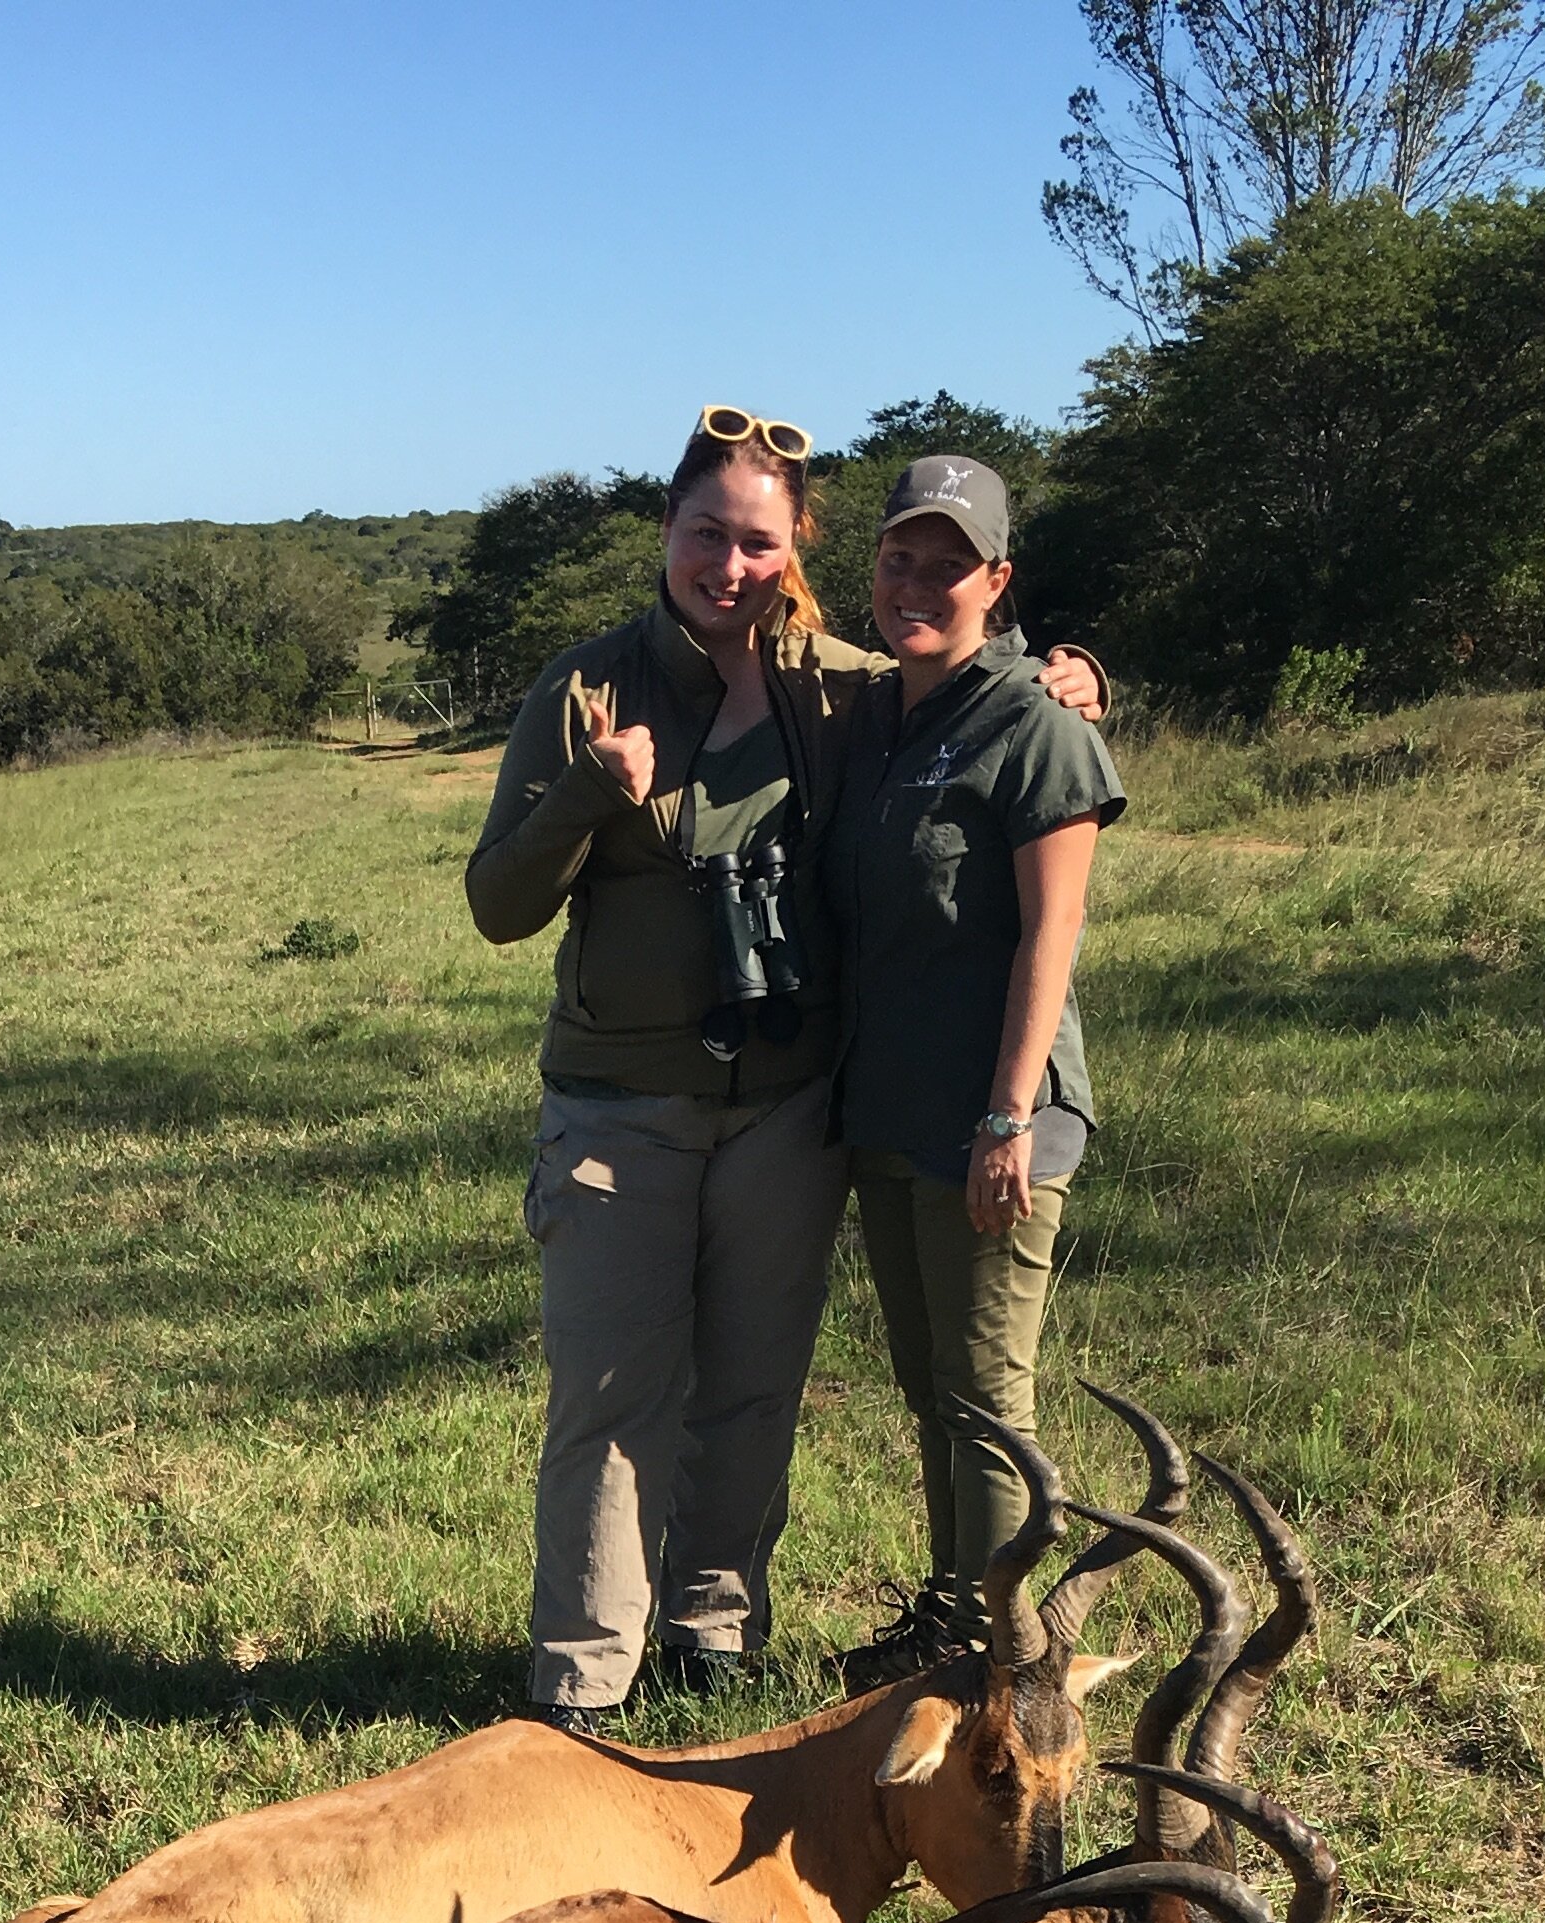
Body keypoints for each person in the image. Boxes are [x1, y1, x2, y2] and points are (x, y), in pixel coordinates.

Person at [466, 413, 1104, 1730]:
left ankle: (714, 1638)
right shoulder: (585, 690)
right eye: (708, 533)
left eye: (759, 540)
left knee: (754, 1392)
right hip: (622, 1109)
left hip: (788, 1108)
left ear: (794, 548)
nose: (731, 563)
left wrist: (1082, 672)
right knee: (614, 1397)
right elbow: (495, 903)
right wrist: (589, 796)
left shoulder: (837, 683)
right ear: (669, 533)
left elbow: (989, 704)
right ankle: (584, 1683)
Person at [830, 453, 1127, 1687]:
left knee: (990, 1403)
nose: (918, 582)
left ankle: (1004, 1668)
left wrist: (1008, 1116)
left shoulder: (1034, 725)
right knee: (932, 1392)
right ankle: (955, 1620)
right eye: (901, 557)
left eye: (948, 566)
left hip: (994, 1121)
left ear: (997, 582)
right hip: (890, 1113)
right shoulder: (881, 712)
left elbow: (1050, 934)